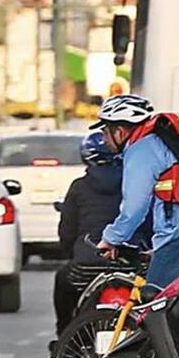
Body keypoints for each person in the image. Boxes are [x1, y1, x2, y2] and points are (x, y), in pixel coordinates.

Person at [93, 94, 179, 293]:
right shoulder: (166, 144)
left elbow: (134, 208)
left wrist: (110, 239)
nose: (104, 140)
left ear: (120, 131)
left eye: (105, 132)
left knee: (153, 301)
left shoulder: (141, 150)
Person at [51, 132, 124, 338]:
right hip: (131, 265)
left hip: (86, 265)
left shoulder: (79, 187)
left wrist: (73, 253)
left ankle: (66, 337)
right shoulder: (135, 185)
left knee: (63, 281)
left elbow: (67, 231)